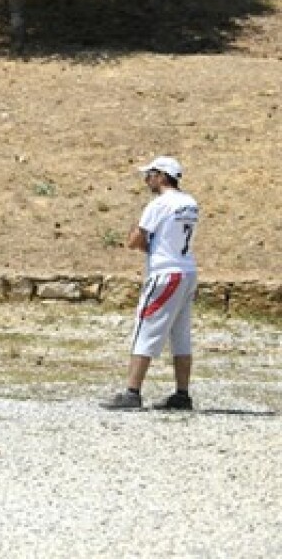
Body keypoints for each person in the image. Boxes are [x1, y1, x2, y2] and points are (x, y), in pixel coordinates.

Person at [101, 156, 201, 411]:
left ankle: (132, 391)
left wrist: (144, 240)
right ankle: (182, 393)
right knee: (180, 334)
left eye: (150, 175)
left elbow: (135, 240)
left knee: (145, 327)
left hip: (165, 273)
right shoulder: (190, 203)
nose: (147, 180)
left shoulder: (159, 204)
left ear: (161, 176)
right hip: (187, 271)